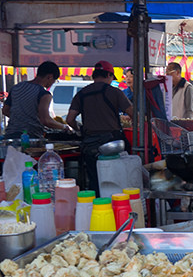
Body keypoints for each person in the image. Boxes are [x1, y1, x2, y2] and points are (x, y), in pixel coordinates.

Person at [66, 61, 133, 194]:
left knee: (95, 181)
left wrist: (80, 130)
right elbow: (133, 114)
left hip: (90, 145)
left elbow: (69, 119)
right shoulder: (115, 92)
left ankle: (97, 209)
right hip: (112, 144)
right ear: (109, 74)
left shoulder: (82, 94)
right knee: (117, 180)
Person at [2, 61, 72, 138]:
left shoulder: (16, 87)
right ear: (50, 77)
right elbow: (46, 120)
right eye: (54, 80)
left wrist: (21, 119)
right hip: (31, 138)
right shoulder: (44, 94)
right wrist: (64, 127)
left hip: (10, 135)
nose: (52, 83)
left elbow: (5, 110)